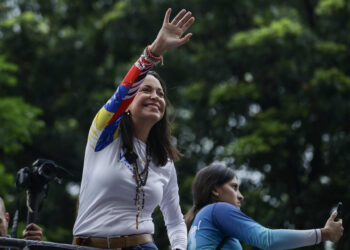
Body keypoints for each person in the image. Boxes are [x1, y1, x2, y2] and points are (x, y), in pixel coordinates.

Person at [72, 8, 195, 250]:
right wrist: (153, 52)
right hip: (89, 246)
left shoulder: (165, 161)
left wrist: (180, 248)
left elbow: (175, 221)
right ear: (128, 106)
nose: (155, 97)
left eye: (160, 93)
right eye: (146, 90)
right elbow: (123, 91)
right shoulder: (104, 134)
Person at [185, 164, 344, 250]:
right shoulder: (218, 209)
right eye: (234, 187)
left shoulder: (196, 224)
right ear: (215, 190)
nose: (241, 195)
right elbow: (267, 240)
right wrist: (323, 234)